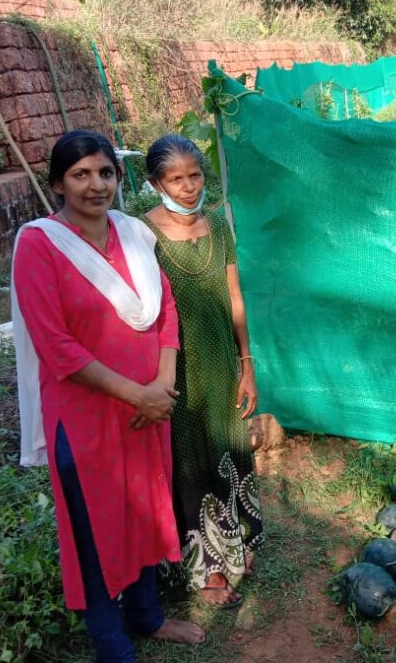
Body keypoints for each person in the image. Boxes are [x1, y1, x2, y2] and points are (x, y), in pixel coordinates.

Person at [11, 130, 204, 662]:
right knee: (92, 528)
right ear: (57, 183)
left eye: (105, 173)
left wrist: (160, 386)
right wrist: (137, 395)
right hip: (86, 416)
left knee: (143, 511)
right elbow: (56, 347)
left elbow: (165, 311)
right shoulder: (39, 244)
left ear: (119, 178)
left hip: (148, 407)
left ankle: (148, 616)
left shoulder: (133, 232)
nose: (96, 185)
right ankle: (112, 644)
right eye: (80, 174)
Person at [141, 134, 264, 608]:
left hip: (221, 362)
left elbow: (234, 298)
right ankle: (204, 566)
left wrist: (246, 363)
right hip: (174, 367)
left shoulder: (217, 225)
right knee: (188, 458)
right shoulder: (139, 233)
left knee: (227, 444)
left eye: (195, 175)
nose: (189, 186)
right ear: (156, 182)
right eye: (176, 178)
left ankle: (236, 541)